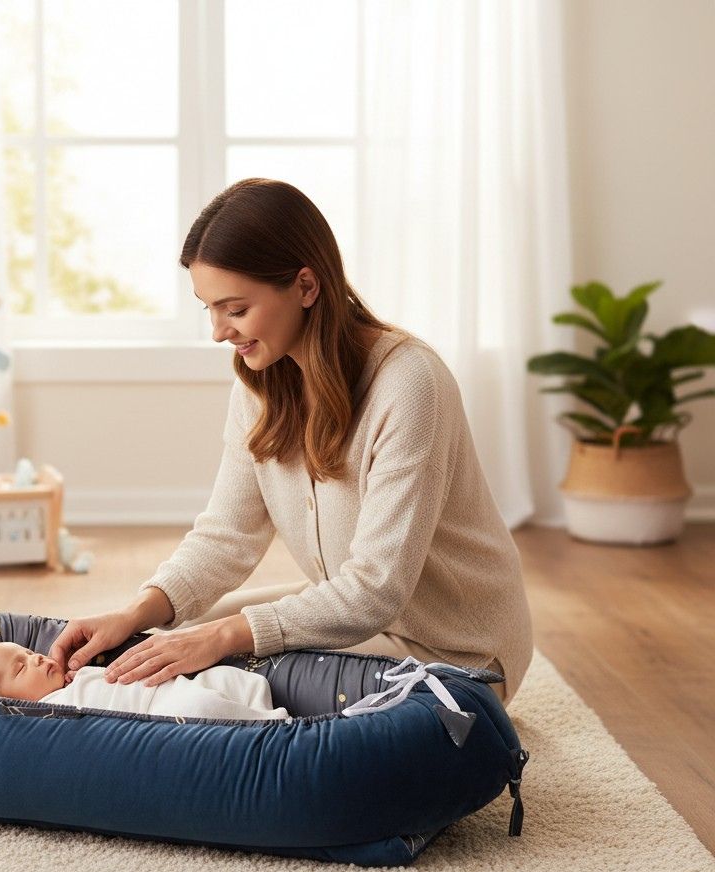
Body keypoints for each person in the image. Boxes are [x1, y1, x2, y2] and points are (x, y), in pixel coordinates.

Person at [48, 178, 533, 707]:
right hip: (359, 621)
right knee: (154, 648)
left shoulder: (410, 383)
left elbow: (375, 590)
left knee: (217, 665)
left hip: (457, 652)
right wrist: (134, 612)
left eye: (235, 310)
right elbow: (226, 537)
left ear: (306, 286)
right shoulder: (260, 383)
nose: (218, 332)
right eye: (207, 308)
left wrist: (223, 636)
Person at [0, 641, 291, 722]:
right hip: (165, 713)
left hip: (178, 685)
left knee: (227, 677)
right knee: (198, 707)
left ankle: (262, 710)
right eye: (21, 669)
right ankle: (275, 727)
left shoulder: (73, 678)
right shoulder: (49, 715)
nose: (36, 658)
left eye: (28, 652)